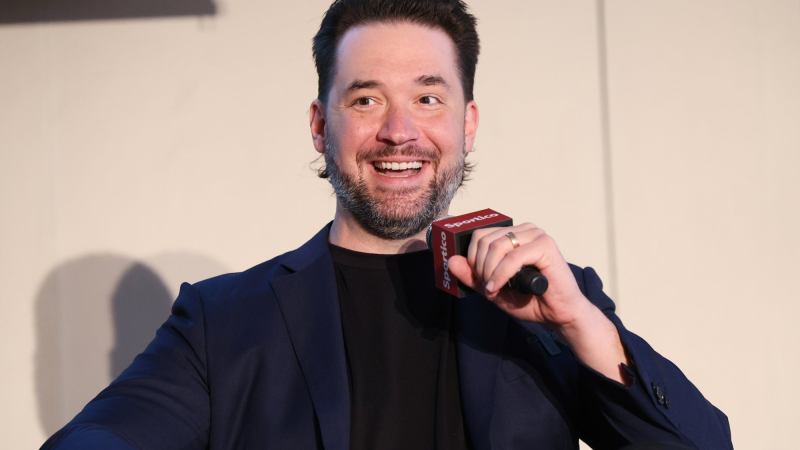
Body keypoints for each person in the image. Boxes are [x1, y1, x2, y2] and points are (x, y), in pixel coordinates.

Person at [42, 1, 733, 449]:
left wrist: (581, 323)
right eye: (367, 99)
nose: (400, 131)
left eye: (428, 98)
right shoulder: (220, 321)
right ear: (321, 126)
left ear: (467, 123)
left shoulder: (553, 300)